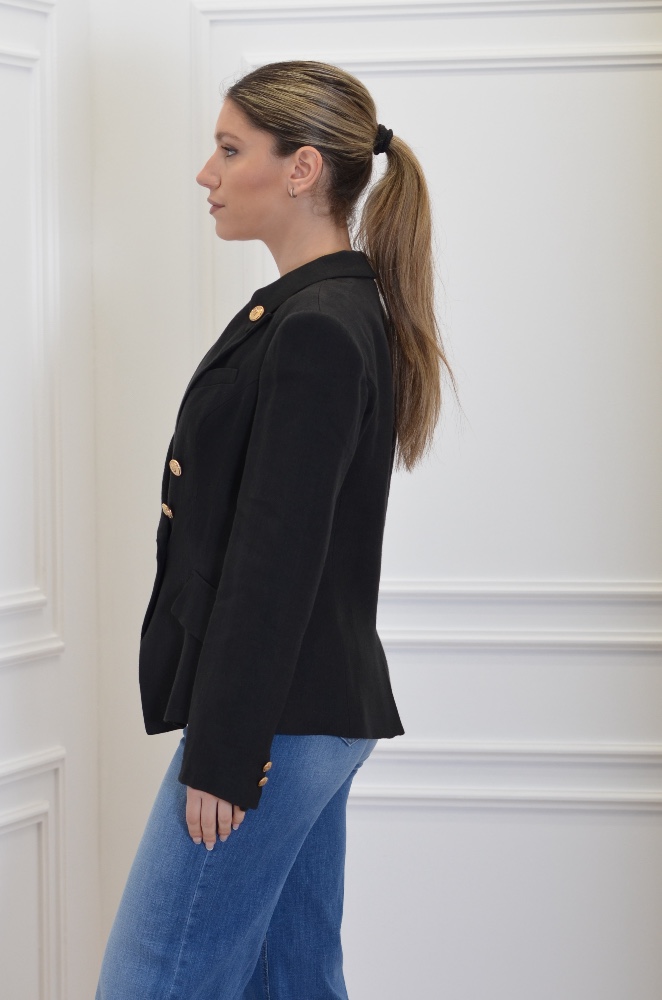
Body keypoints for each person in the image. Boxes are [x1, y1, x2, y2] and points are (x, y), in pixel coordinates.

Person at [95, 59, 455, 999]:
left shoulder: (318, 325)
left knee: (151, 983)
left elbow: (276, 562)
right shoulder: (324, 308)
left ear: (301, 169)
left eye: (229, 149)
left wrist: (225, 752)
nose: (206, 173)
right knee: (293, 982)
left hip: (273, 724)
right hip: (304, 715)